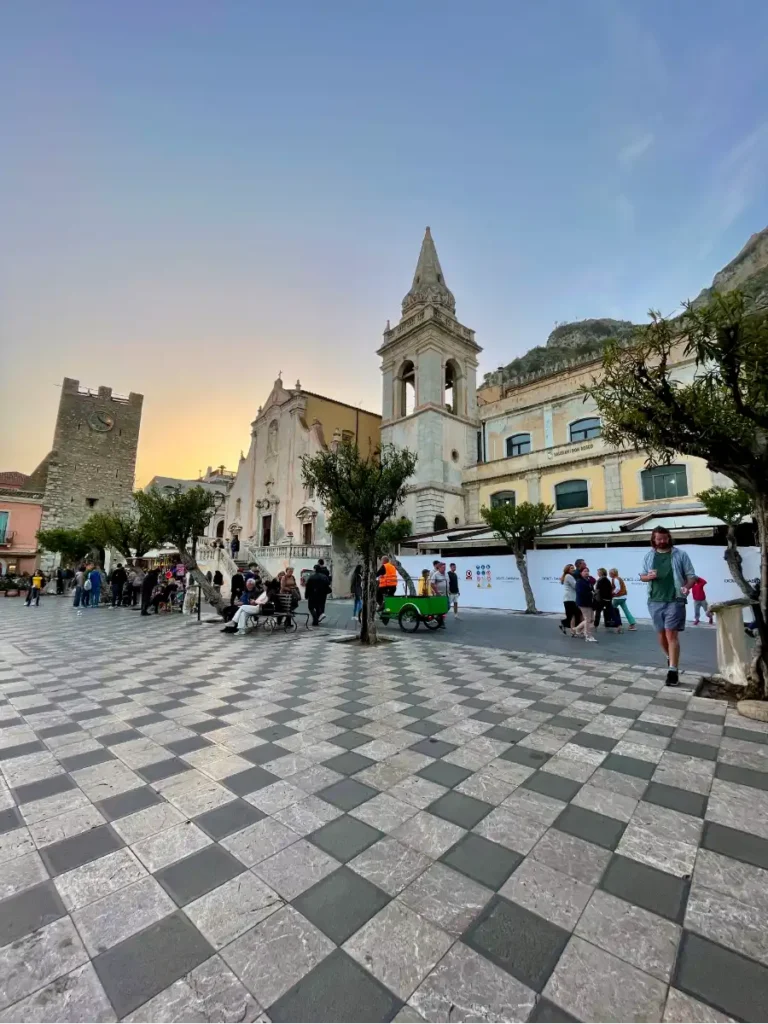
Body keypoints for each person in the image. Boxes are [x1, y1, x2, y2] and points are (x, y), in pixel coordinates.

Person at [640, 526, 697, 686]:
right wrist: (648, 577)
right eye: (659, 539)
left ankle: (673, 670)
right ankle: (669, 657)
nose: (662, 541)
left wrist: (687, 587)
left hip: (675, 599)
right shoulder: (649, 556)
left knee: (671, 634)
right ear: (653, 539)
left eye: (665, 538)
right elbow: (643, 576)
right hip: (654, 600)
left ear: (669, 538)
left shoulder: (680, 554)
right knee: (661, 634)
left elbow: (691, 576)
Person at [573, 567, 597, 642]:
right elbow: (580, 592)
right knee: (588, 619)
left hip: (590, 602)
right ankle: (588, 635)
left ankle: (576, 629)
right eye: (584, 571)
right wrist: (591, 593)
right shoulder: (580, 582)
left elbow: (593, 583)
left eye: (587, 571)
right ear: (581, 573)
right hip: (583, 603)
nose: (586, 572)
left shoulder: (588, 580)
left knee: (592, 619)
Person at [559, 563, 580, 635]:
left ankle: (571, 630)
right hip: (570, 598)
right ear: (567, 570)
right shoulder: (568, 576)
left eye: (573, 568)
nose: (573, 569)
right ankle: (571, 629)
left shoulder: (568, 576)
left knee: (572, 615)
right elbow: (575, 586)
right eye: (571, 568)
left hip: (570, 599)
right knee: (575, 614)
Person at [428, 560, 448, 628]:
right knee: (441, 609)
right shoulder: (435, 574)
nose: (444, 569)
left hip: (446, 594)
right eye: (443, 567)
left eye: (445, 567)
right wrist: (436, 592)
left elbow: (448, 583)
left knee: (446, 607)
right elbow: (432, 583)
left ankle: (439, 619)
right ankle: (440, 621)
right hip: (439, 595)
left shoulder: (446, 574)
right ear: (439, 568)